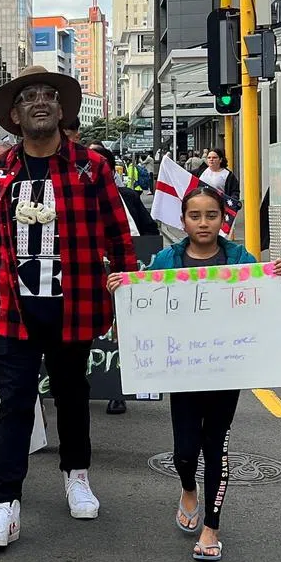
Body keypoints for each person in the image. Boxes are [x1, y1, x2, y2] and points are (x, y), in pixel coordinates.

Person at [0, 64, 136, 548]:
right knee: (13, 403)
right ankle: (3, 503)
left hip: (73, 304)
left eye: (48, 96)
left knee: (73, 395)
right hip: (14, 308)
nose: (40, 102)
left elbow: (119, 233)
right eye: (29, 96)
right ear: (14, 114)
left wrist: (130, 295)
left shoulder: (89, 167)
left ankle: (76, 473)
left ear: (61, 110)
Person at [109, 187, 281, 562]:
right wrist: (121, 289)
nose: (203, 222)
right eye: (195, 216)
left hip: (227, 372)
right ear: (183, 220)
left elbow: (268, 301)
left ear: (223, 218)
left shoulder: (239, 257)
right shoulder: (166, 259)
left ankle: (212, 527)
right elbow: (141, 304)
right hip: (183, 373)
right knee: (185, 452)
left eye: (211, 215)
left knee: (216, 447)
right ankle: (188, 488)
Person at [87, 142, 159, 417]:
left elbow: (149, 231)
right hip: (89, 277)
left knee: (119, 334)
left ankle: (118, 393)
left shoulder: (128, 196)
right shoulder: (73, 195)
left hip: (124, 271)